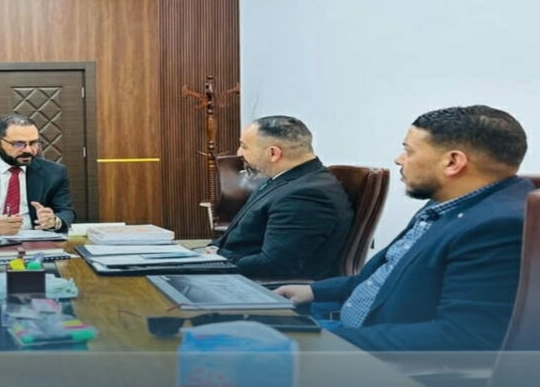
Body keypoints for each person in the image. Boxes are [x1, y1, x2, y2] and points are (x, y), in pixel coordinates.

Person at [276, 105, 532, 352]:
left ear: (453, 162)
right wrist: (313, 291)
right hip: (347, 326)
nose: (399, 160)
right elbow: (386, 278)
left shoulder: (498, 227)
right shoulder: (447, 202)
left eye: (409, 151)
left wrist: (322, 342)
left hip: (371, 352)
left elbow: (461, 338)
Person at [206, 116, 353, 279]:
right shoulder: (284, 180)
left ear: (273, 153)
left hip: (255, 284)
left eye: (244, 146)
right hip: (235, 269)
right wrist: (211, 251)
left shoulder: (305, 196)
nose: (239, 153)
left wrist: (219, 259)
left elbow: (275, 266)